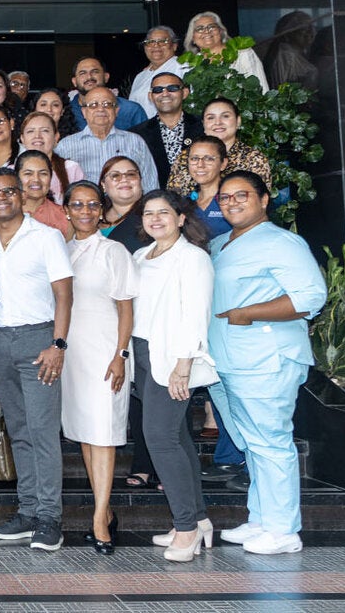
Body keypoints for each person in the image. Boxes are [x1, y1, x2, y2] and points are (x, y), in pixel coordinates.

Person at [209, 171, 326, 555]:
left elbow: (311, 296)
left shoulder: (281, 242)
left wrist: (250, 313)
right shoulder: (220, 243)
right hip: (230, 361)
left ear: (263, 199)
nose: (232, 202)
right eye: (224, 197)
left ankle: (283, 530)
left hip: (266, 356)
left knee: (271, 442)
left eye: (242, 195)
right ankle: (261, 519)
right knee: (254, 444)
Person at [0, 169, 73, 553]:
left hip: (39, 339)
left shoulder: (46, 236)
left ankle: (50, 518)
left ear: (20, 195)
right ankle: (28, 510)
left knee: (42, 431)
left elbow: (65, 295)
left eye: (8, 191)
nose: (0, 198)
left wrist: (58, 344)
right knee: (18, 429)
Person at [129, 190, 217, 562]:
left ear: (181, 218)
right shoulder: (139, 256)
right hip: (144, 352)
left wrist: (184, 365)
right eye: (149, 213)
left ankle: (186, 529)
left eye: (164, 212)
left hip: (172, 358)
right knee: (177, 439)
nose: (156, 219)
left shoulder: (193, 259)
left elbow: (195, 314)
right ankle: (198, 518)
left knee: (160, 439)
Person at [60, 180, 137, 555]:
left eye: (93, 205)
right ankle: (102, 510)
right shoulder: (63, 250)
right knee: (86, 435)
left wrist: (120, 354)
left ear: (101, 209)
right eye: (78, 205)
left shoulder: (113, 250)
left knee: (104, 433)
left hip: (107, 352)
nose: (86, 211)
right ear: (67, 209)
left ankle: (98, 517)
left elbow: (126, 307)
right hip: (73, 354)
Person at [55, 87, 159, 193]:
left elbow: (150, 184)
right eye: (93, 105)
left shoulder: (135, 142)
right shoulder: (66, 146)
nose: (100, 109)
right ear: (84, 112)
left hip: (128, 207)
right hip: (85, 207)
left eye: (107, 104)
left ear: (116, 111)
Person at [167, 98, 272, 195]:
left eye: (225, 116)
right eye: (211, 118)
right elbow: (173, 201)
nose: (218, 122)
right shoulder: (185, 157)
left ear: (238, 121)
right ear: (203, 124)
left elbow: (259, 202)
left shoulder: (253, 159)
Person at [129, 74, 203, 189]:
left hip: (199, 201)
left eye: (172, 88)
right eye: (158, 90)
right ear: (151, 96)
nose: (165, 93)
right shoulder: (137, 134)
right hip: (157, 201)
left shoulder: (203, 127)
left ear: (185, 93)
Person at [186, 12, 270, 92]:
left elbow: (262, 89)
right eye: (200, 29)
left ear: (221, 31)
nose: (207, 31)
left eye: (212, 26)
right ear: (193, 38)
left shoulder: (243, 53)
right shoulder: (192, 64)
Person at [18, 111, 83, 203]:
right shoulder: (12, 170)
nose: (37, 136)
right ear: (22, 139)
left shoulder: (71, 168)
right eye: (30, 131)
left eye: (45, 130)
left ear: (56, 137)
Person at [67, 58, 146, 131]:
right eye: (82, 73)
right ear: (74, 81)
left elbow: (144, 143)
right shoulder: (66, 112)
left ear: (106, 77)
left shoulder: (131, 110)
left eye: (95, 72)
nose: (89, 77)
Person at [8, 151, 72, 237]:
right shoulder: (1, 212)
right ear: (16, 178)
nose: (36, 179)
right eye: (28, 173)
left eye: (43, 174)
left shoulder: (64, 217)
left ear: (50, 178)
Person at [131, 27, 188, 118]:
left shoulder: (183, 67)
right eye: (150, 42)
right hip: (142, 129)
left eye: (162, 41)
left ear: (174, 46)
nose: (156, 45)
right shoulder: (140, 76)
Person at [184, 136, 234, 236]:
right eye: (194, 158)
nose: (200, 165)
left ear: (223, 163)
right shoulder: (184, 202)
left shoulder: (234, 200)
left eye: (209, 159)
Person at [98, 156, 146, 254]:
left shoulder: (151, 214)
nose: (124, 179)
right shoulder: (93, 216)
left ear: (140, 180)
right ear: (103, 184)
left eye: (131, 174)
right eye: (115, 175)